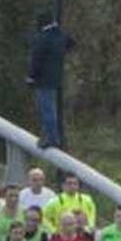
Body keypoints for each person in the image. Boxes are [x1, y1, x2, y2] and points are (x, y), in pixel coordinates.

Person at [27, 12, 75, 149]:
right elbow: (71, 43)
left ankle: (51, 138)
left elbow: (36, 60)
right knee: (51, 108)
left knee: (46, 109)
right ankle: (52, 135)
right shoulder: (59, 36)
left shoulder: (42, 39)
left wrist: (31, 77)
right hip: (56, 77)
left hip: (42, 79)